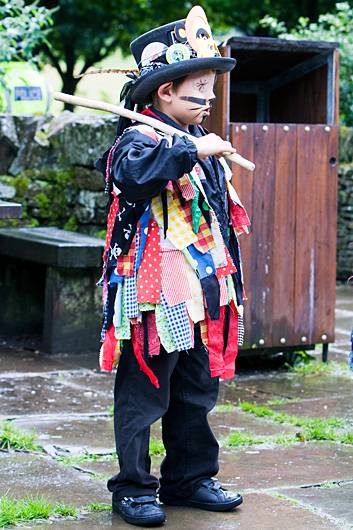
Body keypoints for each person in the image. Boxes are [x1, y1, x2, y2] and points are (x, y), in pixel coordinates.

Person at [94, 5, 251, 527]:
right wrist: (188, 151)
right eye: (198, 90)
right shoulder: (137, 139)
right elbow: (134, 178)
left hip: (204, 287)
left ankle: (189, 478)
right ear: (164, 91)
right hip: (152, 293)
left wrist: (197, 150)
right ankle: (133, 487)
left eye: (210, 89)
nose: (208, 99)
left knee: (196, 388)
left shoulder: (196, 142)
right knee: (145, 388)